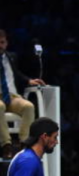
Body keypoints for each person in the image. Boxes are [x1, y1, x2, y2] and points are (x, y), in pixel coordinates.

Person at [0, 29, 45, 159]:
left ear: (6, 43)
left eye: (2, 42)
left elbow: (17, 74)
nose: (0, 45)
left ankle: (24, 144)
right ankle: (6, 145)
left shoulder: (11, 57)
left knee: (28, 107)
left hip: (12, 96)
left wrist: (29, 80)